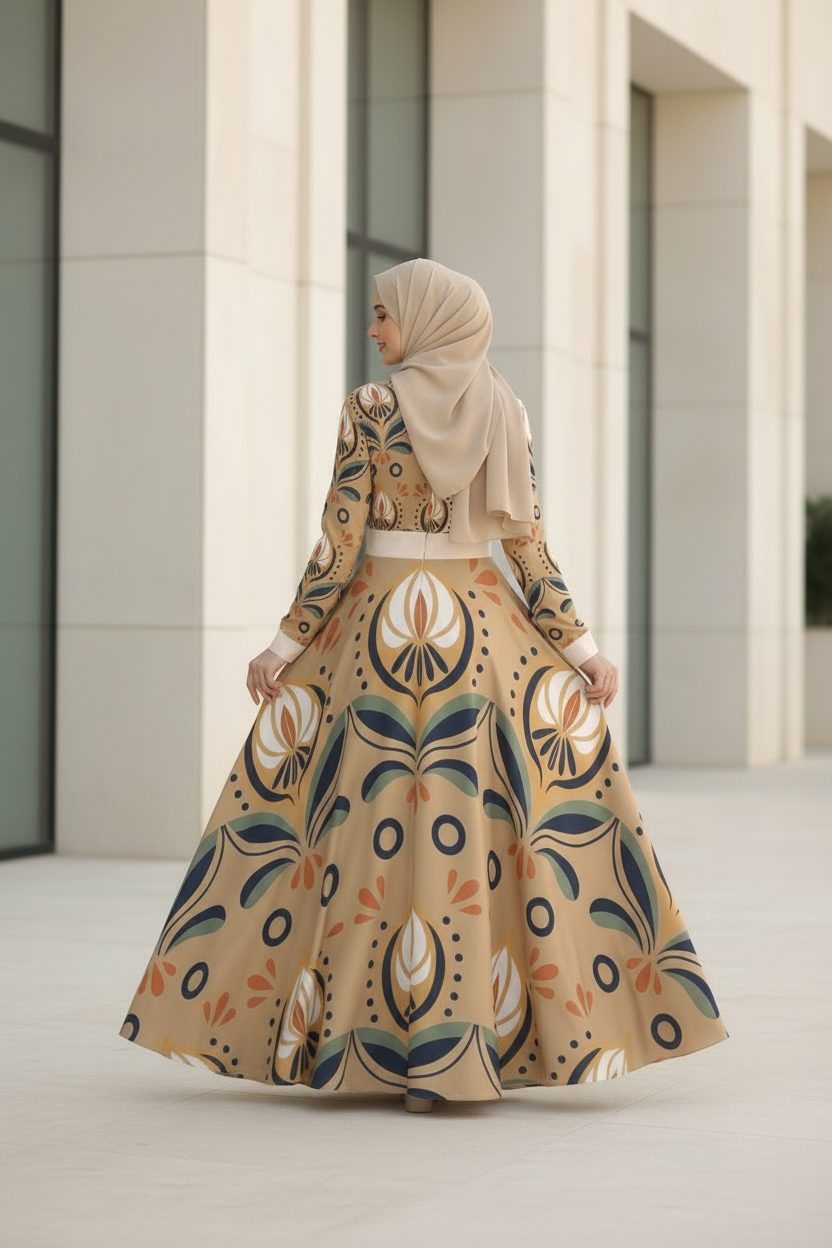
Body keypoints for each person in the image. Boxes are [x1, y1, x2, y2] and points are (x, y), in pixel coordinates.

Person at [121, 259, 727, 1111]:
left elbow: (338, 545)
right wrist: (581, 649)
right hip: (478, 641)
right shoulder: (504, 409)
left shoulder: (371, 409)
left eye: (383, 315)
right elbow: (529, 550)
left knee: (360, 836)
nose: (375, 330)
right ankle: (456, 1058)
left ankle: (372, 1050)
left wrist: (282, 645)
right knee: (474, 837)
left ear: (425, 319)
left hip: (379, 638)